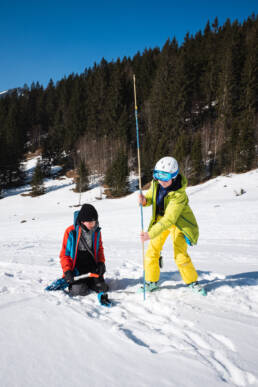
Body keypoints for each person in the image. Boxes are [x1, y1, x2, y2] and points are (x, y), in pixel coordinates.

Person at [139, 156, 205, 295]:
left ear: (174, 177)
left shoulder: (179, 194)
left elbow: (170, 219)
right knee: (152, 252)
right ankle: (151, 281)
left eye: (165, 177)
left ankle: (193, 282)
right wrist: (145, 201)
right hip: (161, 221)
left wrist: (150, 234)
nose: (161, 180)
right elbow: (151, 198)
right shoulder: (156, 183)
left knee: (180, 255)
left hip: (178, 224)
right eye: (158, 175)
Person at [59, 203, 108, 296]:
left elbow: (99, 249)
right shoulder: (70, 232)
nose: (93, 225)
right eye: (90, 222)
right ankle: (78, 283)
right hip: (77, 268)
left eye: (94, 222)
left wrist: (101, 263)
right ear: (82, 221)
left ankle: (90, 281)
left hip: (91, 266)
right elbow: (65, 255)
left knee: (102, 288)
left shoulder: (96, 231)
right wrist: (67, 271)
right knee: (79, 291)